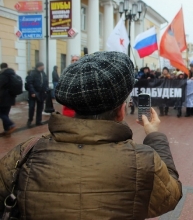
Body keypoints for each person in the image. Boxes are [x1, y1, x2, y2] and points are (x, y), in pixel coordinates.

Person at [0, 51, 182, 219]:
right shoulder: (143, 160)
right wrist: (154, 136)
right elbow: (170, 195)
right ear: (120, 111)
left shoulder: (26, 151)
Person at [27, 62, 48, 127]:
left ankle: (38, 121)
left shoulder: (43, 73)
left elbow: (45, 82)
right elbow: (30, 83)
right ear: (39, 66)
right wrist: (32, 92)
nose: (43, 67)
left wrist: (46, 90)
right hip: (34, 93)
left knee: (40, 108)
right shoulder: (32, 73)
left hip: (41, 93)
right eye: (42, 66)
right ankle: (30, 120)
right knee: (31, 107)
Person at [0, 63, 17, 137]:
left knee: (1, 113)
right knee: (5, 114)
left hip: (3, 98)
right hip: (10, 97)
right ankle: (7, 130)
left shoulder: (3, 75)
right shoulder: (12, 74)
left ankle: (11, 124)